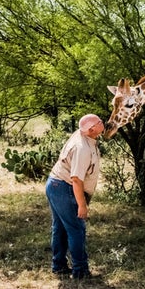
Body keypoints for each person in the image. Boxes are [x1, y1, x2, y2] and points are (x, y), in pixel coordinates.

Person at [45, 113, 105, 280]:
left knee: (61, 228)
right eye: (99, 122)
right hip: (65, 187)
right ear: (92, 129)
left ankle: (59, 265)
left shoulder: (83, 136)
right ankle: (80, 270)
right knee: (76, 229)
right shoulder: (82, 148)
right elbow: (76, 180)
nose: (103, 122)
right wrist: (82, 205)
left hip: (55, 184)